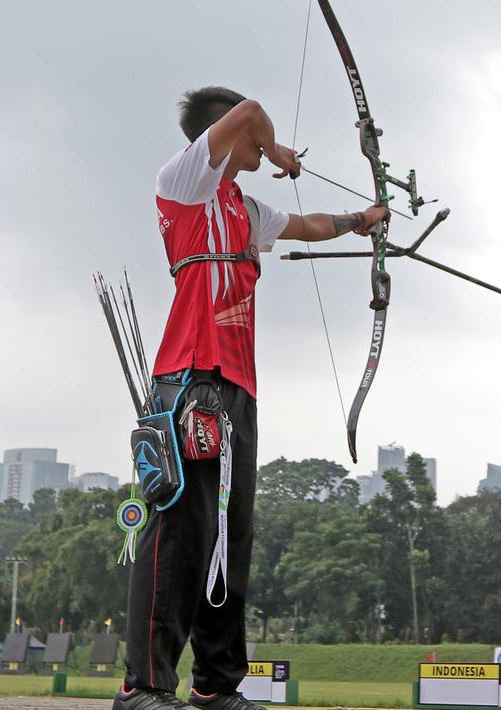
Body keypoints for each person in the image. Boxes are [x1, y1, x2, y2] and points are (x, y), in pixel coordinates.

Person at [114, 86, 387, 710]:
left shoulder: (243, 206)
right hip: (189, 380)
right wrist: (277, 147)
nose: (259, 147)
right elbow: (252, 111)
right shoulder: (183, 184)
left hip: (237, 390)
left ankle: (216, 687)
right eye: (249, 141)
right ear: (229, 137)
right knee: (179, 532)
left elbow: (311, 225)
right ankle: (144, 687)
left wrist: (363, 220)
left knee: (229, 541)